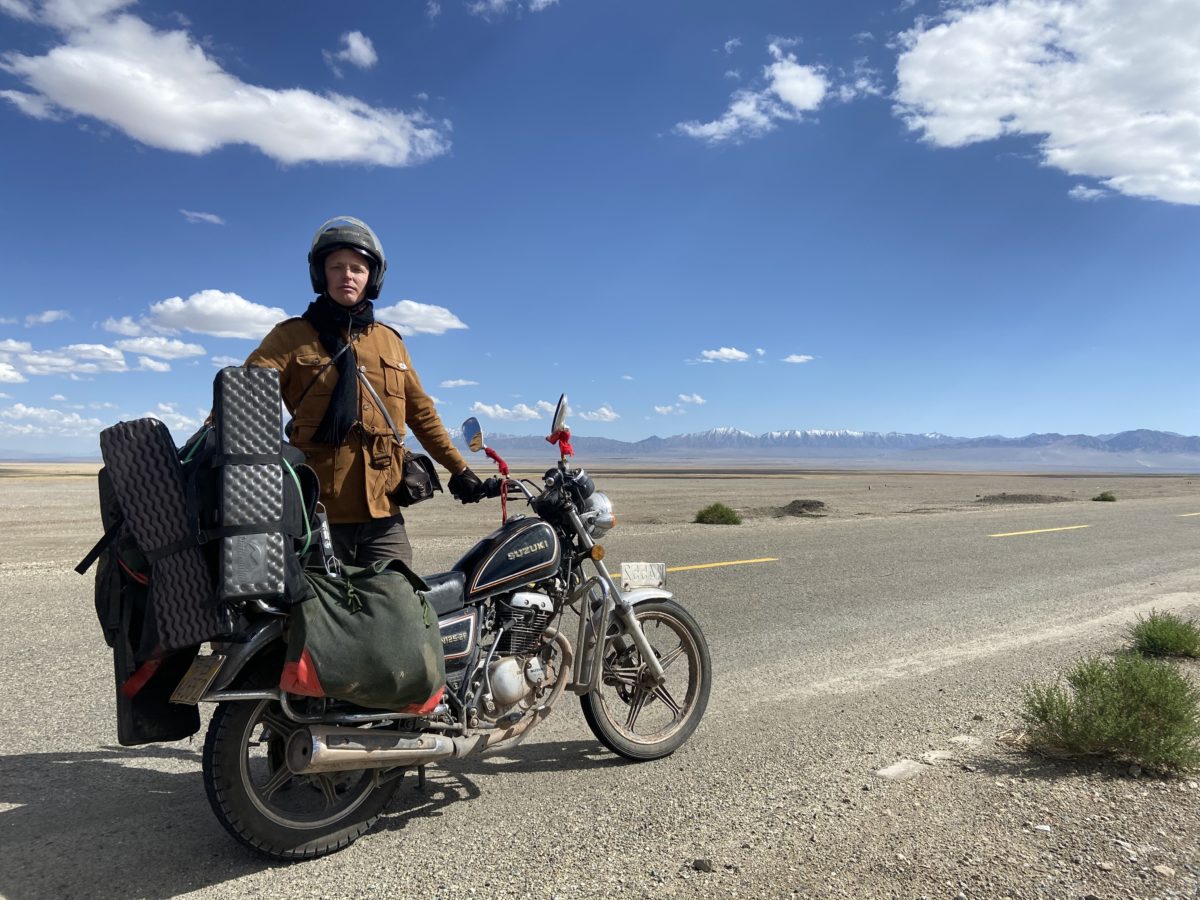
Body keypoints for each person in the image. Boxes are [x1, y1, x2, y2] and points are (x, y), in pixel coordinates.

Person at [244, 216, 486, 567]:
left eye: (357, 268)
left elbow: (422, 414)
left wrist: (460, 470)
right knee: (318, 616)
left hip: (383, 514)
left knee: (400, 606)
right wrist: (209, 448)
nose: (348, 275)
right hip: (317, 515)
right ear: (320, 274)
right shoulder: (291, 337)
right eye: (337, 266)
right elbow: (244, 396)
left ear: (372, 277)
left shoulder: (390, 342)